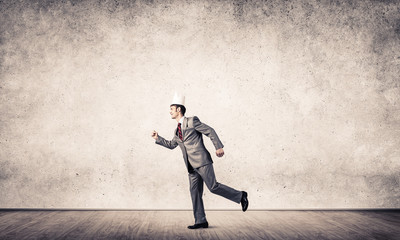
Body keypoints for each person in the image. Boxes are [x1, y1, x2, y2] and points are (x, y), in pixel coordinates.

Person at [151, 93, 248, 229]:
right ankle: (200, 220)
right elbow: (172, 145)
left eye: (171, 109)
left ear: (179, 109)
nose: (170, 112)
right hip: (191, 167)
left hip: (202, 161)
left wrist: (218, 146)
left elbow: (210, 131)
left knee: (213, 186)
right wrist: (157, 138)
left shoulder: (192, 121)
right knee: (194, 192)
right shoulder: (176, 131)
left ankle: (240, 195)